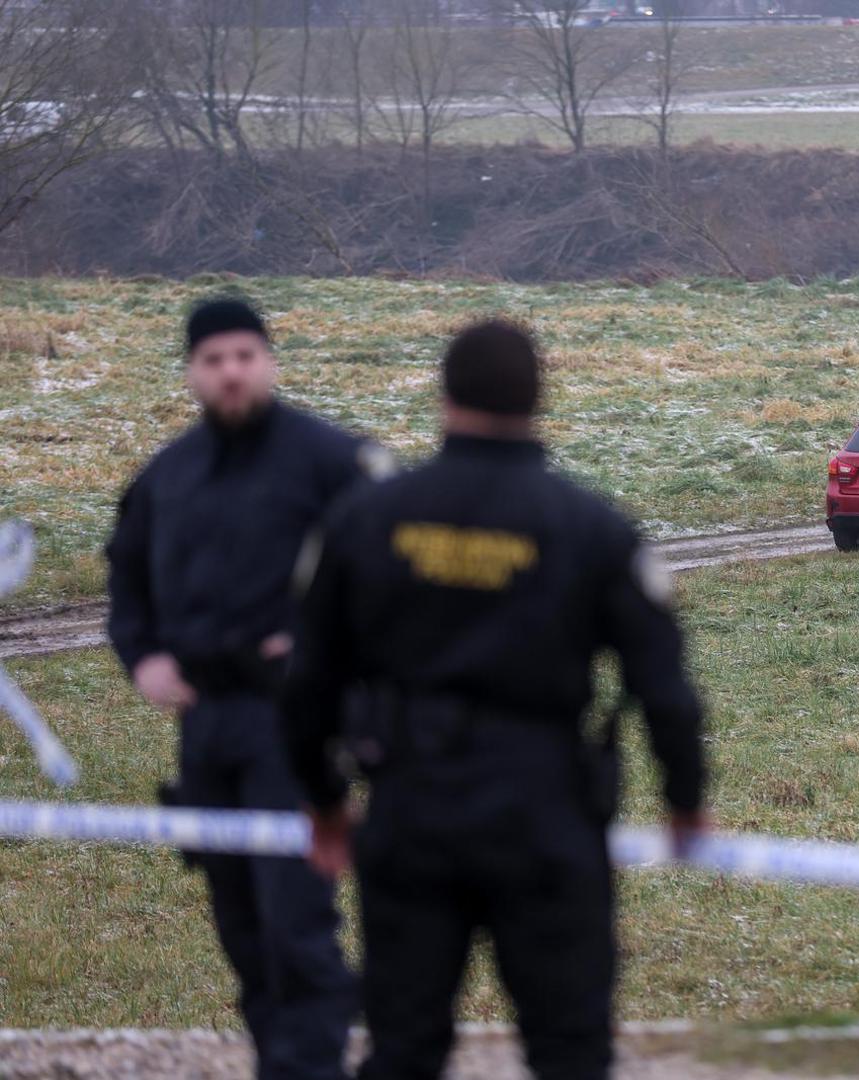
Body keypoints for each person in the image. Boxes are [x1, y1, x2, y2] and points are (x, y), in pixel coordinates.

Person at [281, 319, 709, 1080]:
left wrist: (323, 801)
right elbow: (664, 687)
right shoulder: (591, 527)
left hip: (410, 806)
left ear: (443, 398)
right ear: (539, 398)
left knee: (404, 1048)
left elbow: (308, 679)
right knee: (568, 1050)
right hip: (544, 816)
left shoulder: (366, 519)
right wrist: (685, 801)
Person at [105, 297, 384, 1080]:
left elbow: (387, 579)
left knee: (297, 926)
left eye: (244, 355)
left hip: (296, 730)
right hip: (207, 728)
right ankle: (279, 1064)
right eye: (213, 359)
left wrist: (325, 653)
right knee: (242, 928)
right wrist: (143, 658)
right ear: (192, 372)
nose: (231, 371)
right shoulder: (169, 474)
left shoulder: (332, 462)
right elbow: (126, 578)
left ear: (269, 361)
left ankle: (314, 1068)